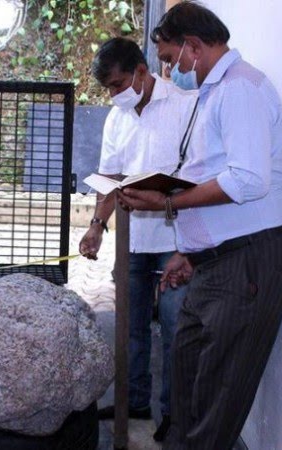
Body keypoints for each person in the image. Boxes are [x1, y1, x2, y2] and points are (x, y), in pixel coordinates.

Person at [118, 2, 282, 449]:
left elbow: (247, 180)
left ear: (193, 47)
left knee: (216, 401)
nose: (167, 69)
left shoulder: (240, 89)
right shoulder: (214, 91)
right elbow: (214, 174)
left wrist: (169, 200)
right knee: (189, 386)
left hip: (248, 264)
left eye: (168, 58)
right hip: (219, 262)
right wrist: (192, 251)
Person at [78, 37, 197, 442]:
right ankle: (134, 401)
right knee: (130, 328)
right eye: (108, 89)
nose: (114, 95)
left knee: (174, 325)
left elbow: (198, 177)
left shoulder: (185, 107)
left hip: (174, 239)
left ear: (142, 72)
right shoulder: (118, 118)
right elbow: (109, 178)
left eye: (117, 85)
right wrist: (97, 225)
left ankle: (173, 415)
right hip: (132, 239)